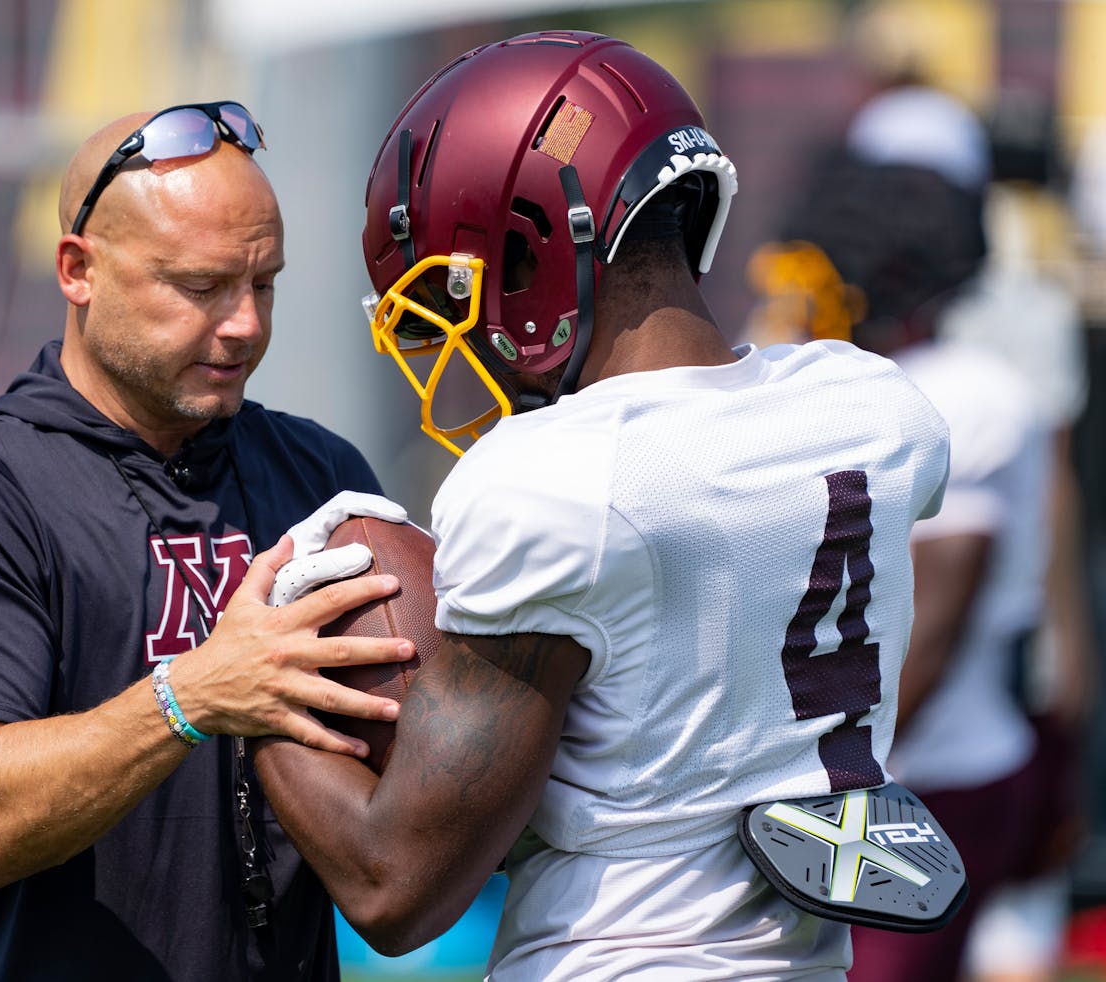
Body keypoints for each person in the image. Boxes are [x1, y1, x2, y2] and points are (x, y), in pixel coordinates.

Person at [253, 32, 954, 980]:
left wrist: (250, 688)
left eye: (454, 298)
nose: (465, 346)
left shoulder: (553, 479)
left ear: (532, 247)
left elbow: (396, 889)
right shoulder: (876, 408)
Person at [0, 102, 417, 981]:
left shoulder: (321, 477)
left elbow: (408, 791)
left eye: (263, 283)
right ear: (78, 270)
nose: (243, 324)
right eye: (199, 287)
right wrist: (193, 695)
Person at [755, 84, 1063, 982]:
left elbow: (940, 610)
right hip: (894, 760)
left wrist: (838, 778)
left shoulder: (965, 392)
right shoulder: (898, 381)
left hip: (921, 771)